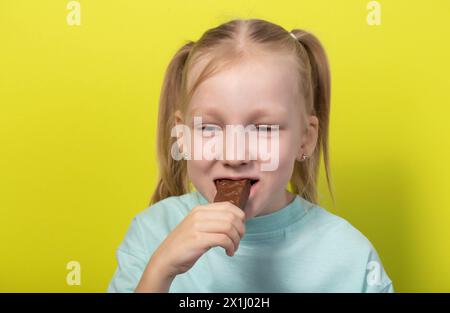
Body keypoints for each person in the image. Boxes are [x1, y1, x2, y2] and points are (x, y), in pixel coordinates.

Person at [107, 18, 394, 293]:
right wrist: (160, 271)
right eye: (209, 127)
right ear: (182, 137)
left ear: (305, 138)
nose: (234, 155)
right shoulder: (152, 234)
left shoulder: (350, 257)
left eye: (264, 128)